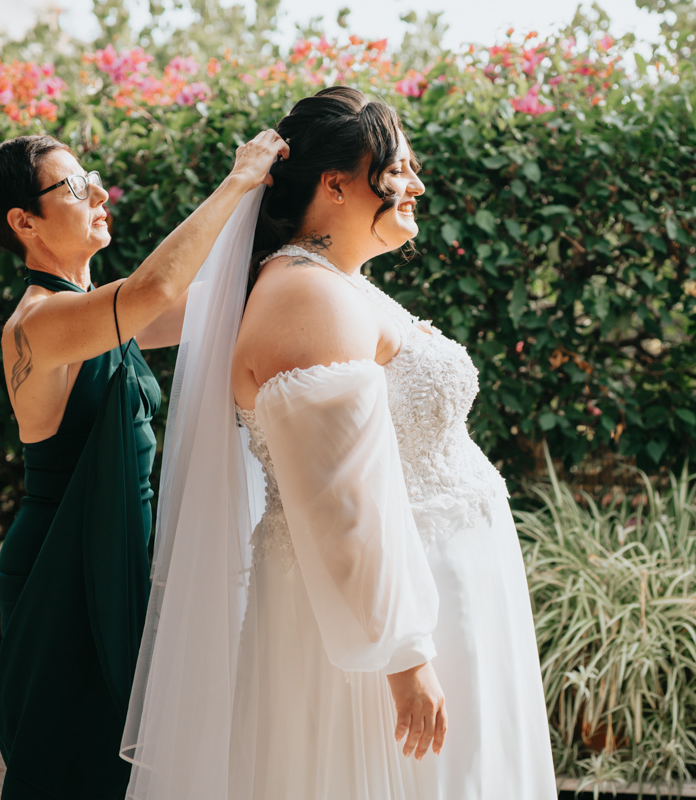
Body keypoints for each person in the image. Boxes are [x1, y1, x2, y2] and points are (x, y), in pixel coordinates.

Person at [121, 87, 557, 798]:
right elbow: (341, 499)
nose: (416, 183)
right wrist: (405, 657)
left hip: (435, 596)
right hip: (378, 625)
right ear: (335, 184)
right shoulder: (306, 296)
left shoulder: (334, 285)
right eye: (398, 168)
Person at [0, 130, 287, 799]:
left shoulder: (96, 316)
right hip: (63, 564)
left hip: (120, 558)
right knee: (71, 759)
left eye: (92, 176)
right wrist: (241, 176)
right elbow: (155, 286)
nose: (100, 193)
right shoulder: (39, 322)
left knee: (119, 764)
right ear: (24, 222)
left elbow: (212, 303)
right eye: (76, 186)